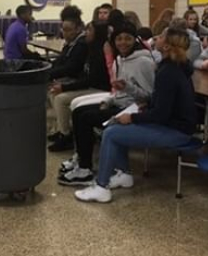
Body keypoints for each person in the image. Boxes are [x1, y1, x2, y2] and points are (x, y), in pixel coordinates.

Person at [75, 28, 197, 202]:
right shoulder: (173, 67)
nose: (156, 38)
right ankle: (124, 174)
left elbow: (161, 114)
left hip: (177, 131)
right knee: (117, 126)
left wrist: (132, 117)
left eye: (161, 36)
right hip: (173, 124)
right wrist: (145, 105)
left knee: (111, 133)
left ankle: (101, 187)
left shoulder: (169, 72)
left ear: (167, 46)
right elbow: (165, 104)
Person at [58, 21, 155, 184]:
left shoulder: (144, 62)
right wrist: (108, 100)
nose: (123, 42)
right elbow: (117, 92)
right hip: (118, 103)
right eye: (119, 39)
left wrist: (129, 88)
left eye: (128, 39)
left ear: (135, 40)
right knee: (78, 112)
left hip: (133, 109)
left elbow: (149, 97)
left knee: (86, 118)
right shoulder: (119, 59)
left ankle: (85, 168)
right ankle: (82, 162)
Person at [48, 21, 111, 152]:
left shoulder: (99, 52)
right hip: (90, 85)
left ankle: (66, 136)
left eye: (89, 30)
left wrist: (65, 87)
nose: (85, 33)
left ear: (97, 33)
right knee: (54, 92)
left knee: (60, 98)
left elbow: (90, 80)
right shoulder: (90, 48)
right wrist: (65, 84)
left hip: (100, 89)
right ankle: (62, 130)